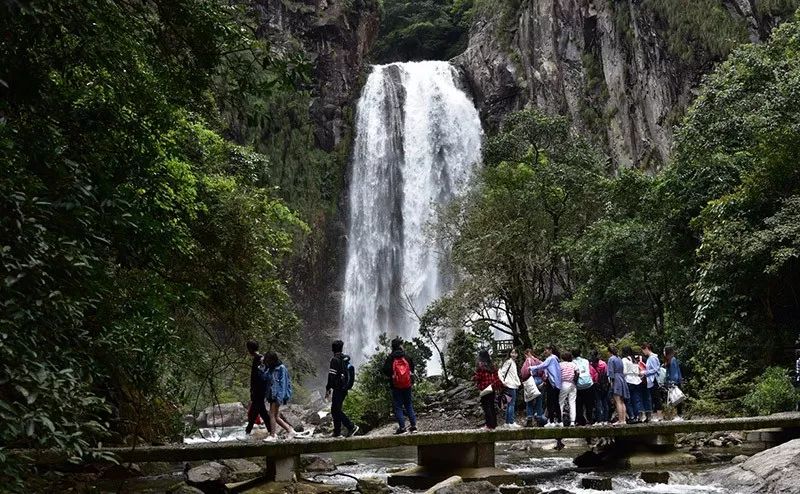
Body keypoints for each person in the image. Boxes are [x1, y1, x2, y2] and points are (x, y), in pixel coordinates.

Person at [382, 337, 418, 434]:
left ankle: (402, 428)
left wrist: (391, 376)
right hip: (407, 384)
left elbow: (385, 370)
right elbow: (412, 369)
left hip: (396, 385)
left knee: (398, 406)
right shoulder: (406, 357)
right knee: (408, 404)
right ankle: (414, 426)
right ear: (400, 346)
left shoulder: (390, 358)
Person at [326, 340, 359, 438]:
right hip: (344, 388)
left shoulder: (334, 360)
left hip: (338, 388)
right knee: (335, 409)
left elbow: (331, 376)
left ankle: (351, 426)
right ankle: (337, 432)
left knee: (335, 410)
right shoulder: (344, 359)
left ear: (333, 349)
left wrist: (328, 388)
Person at [263, 351, 295, 441]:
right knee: (276, 416)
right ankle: (290, 430)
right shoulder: (270, 368)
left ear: (273, 360)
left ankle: (273, 435)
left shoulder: (281, 368)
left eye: (268, 360)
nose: (267, 362)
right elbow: (265, 378)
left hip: (277, 396)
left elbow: (283, 384)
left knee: (271, 414)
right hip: (271, 395)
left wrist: (280, 398)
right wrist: (264, 366)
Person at [529, 345, 562, 427]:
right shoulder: (555, 359)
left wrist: (531, 368)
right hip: (556, 384)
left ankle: (551, 422)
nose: (545, 351)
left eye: (546, 350)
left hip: (552, 383)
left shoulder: (551, 358)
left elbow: (542, 366)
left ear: (551, 350)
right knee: (555, 402)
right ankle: (559, 421)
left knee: (550, 403)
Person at [245, 340, 272, 435]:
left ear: (251, 349)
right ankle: (271, 431)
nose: (248, 350)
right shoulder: (260, 358)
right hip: (260, 390)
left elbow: (258, 377)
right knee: (261, 411)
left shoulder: (259, 359)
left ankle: (247, 432)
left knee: (256, 411)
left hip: (258, 391)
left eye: (248, 348)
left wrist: (254, 391)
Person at [474, 350, 501, 430]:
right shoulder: (491, 365)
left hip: (484, 388)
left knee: (486, 407)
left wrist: (474, 378)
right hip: (492, 388)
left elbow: (479, 377)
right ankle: (494, 424)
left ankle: (489, 425)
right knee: (492, 406)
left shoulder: (480, 366)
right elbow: (496, 375)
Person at [520, 349, 546, 427]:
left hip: (531, 381)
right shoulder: (539, 361)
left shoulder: (528, 360)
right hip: (540, 380)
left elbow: (524, 373)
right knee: (539, 401)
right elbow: (543, 371)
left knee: (529, 401)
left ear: (527, 354)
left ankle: (529, 419)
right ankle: (539, 419)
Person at [499, 348, 521, 428]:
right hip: (510, 386)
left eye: (515, 353)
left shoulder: (513, 362)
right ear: (509, 353)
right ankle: (511, 422)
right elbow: (500, 371)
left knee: (509, 404)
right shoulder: (509, 362)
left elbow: (514, 375)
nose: (514, 354)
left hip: (512, 385)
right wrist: (503, 382)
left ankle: (507, 422)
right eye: (512, 353)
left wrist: (518, 383)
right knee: (511, 404)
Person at [573, 349, 595, 426]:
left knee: (579, 404)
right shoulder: (586, 361)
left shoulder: (573, 363)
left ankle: (581, 421)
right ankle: (590, 419)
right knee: (589, 404)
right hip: (589, 384)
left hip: (579, 386)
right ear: (580, 353)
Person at [607, 345, 628, 426]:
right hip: (622, 378)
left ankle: (620, 420)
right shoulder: (619, 358)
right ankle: (624, 419)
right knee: (622, 401)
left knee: (617, 400)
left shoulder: (611, 359)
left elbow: (611, 373)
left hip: (616, 379)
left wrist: (611, 383)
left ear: (609, 352)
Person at [641, 343, 661, 422]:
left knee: (656, 398)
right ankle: (657, 416)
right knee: (654, 398)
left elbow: (655, 369)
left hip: (654, 380)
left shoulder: (652, 358)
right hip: (651, 380)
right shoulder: (650, 358)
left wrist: (645, 372)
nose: (643, 352)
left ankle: (659, 417)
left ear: (646, 348)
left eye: (643, 350)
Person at [622, 346, 643, 423]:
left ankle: (631, 416)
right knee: (636, 399)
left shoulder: (624, 360)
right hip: (637, 380)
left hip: (629, 380)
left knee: (628, 400)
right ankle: (637, 416)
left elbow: (624, 371)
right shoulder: (634, 359)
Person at [558, 351, 579, 426]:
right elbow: (577, 373)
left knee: (560, 402)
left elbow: (558, 374)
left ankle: (560, 421)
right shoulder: (573, 364)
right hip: (572, 384)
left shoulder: (560, 365)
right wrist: (575, 381)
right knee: (572, 403)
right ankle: (573, 421)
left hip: (564, 384)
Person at [664, 346, 684, 420]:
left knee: (677, 399)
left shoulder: (673, 360)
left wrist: (673, 382)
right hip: (672, 382)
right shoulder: (669, 360)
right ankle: (678, 415)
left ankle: (679, 415)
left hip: (674, 382)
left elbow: (674, 372)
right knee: (675, 399)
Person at [589, 350, 609, 424]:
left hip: (596, 384)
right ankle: (606, 419)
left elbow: (591, 375)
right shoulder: (603, 363)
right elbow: (607, 374)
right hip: (604, 384)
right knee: (605, 402)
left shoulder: (591, 364)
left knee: (598, 402)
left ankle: (599, 420)